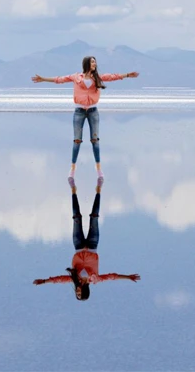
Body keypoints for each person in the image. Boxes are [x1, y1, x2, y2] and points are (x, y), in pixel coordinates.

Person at [31, 56, 139, 184]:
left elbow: (112, 76)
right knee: (77, 141)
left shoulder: (97, 77)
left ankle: (98, 168)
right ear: (87, 63)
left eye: (95, 61)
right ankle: (72, 168)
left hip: (93, 111)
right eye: (93, 61)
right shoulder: (76, 77)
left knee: (95, 140)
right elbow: (59, 79)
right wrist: (43, 79)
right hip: (79, 112)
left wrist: (126, 75)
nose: (95, 63)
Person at [32, 179, 140, 300]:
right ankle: (98, 191)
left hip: (78, 245)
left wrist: (45, 281)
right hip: (92, 245)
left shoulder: (74, 278)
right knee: (94, 217)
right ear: (85, 291)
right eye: (79, 294)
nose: (77, 292)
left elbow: (60, 279)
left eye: (76, 294)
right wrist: (128, 277)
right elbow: (112, 277)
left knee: (76, 216)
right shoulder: (95, 279)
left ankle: (73, 191)